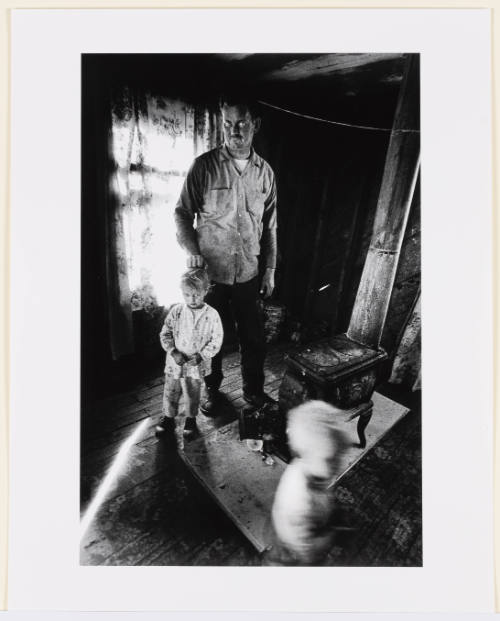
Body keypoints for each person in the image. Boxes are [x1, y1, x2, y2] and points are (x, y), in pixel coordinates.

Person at [174, 94, 277, 415]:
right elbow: (180, 213)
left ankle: (254, 392)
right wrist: (192, 250)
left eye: (242, 123)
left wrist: (270, 270)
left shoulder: (265, 173)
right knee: (210, 340)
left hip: (248, 272)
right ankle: (210, 390)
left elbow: (271, 228)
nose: (234, 131)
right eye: (228, 124)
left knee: (254, 339)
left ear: (255, 125)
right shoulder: (203, 167)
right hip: (212, 276)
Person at [266, 400, 350, 565]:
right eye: (331, 459)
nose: (339, 464)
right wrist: (325, 541)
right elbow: (303, 546)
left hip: (311, 518)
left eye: (340, 455)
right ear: (306, 454)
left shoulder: (312, 467)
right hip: (294, 547)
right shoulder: (298, 499)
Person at [155, 268, 223, 439]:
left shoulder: (212, 315)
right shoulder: (176, 311)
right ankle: (169, 418)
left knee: (193, 393)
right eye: (187, 294)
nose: (192, 299)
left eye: (196, 294)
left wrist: (201, 355)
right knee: (171, 391)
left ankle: (190, 420)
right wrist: (172, 351)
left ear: (206, 291)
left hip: (195, 365)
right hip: (175, 363)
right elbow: (165, 333)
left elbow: (217, 339)